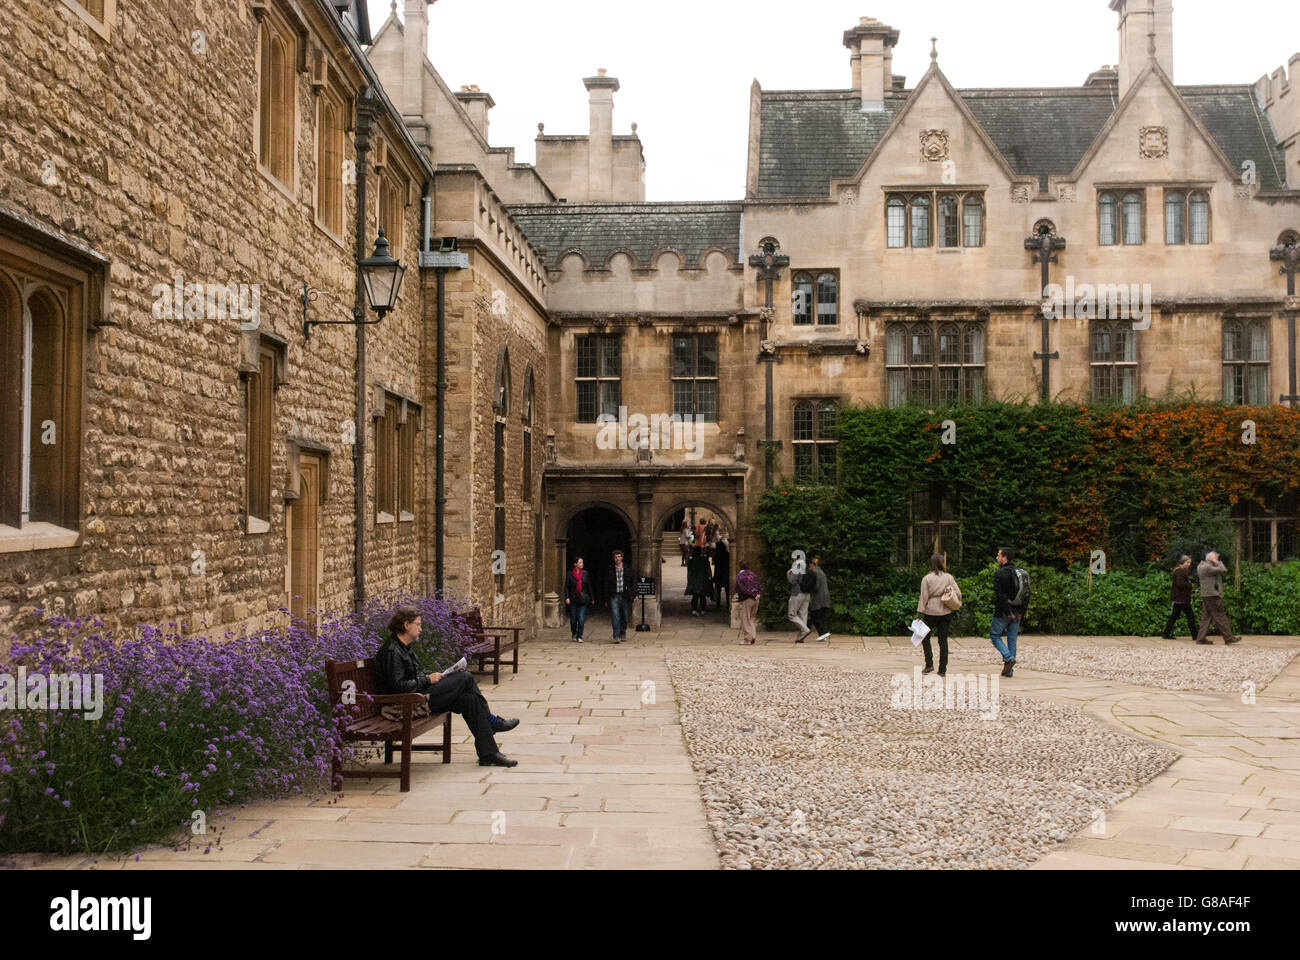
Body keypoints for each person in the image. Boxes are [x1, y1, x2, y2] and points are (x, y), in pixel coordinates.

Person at [376, 605, 520, 768]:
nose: (421, 629)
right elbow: (398, 687)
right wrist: (428, 680)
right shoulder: (392, 651)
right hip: (407, 704)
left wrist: (432, 676)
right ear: (406, 625)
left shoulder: (404, 648)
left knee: (469, 700)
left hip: (419, 696)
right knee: (465, 677)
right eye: (418, 624)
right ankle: (492, 722)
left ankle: (489, 754)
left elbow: (412, 677)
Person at [917, 555, 959, 676]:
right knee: (943, 640)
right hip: (945, 611)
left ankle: (929, 664)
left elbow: (923, 597)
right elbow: (957, 592)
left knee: (925, 637)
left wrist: (920, 612)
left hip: (930, 611)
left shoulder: (927, 579)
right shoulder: (949, 577)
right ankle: (942, 670)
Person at [1194, 550, 1241, 645]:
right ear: (1211, 558)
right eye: (1216, 557)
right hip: (1212, 595)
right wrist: (1217, 562)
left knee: (1206, 617)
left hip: (1206, 595)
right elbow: (1223, 570)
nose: (1218, 559)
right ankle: (1229, 638)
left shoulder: (1201, 565)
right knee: (1220, 616)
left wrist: (1214, 561)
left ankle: (1200, 638)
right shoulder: (1208, 567)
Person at [991, 547, 1024, 677]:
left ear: (1005, 558)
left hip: (1004, 611)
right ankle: (1009, 670)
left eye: (999, 555)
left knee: (994, 635)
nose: (997, 557)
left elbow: (999, 595)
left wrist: (1003, 610)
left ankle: (1008, 658)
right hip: (1018, 610)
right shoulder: (1017, 572)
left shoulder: (1001, 573)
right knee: (1012, 639)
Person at [1163, 554, 1198, 640]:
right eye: (1188, 562)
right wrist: (1190, 585)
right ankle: (1195, 635)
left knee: (1174, 616)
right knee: (1190, 616)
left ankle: (1166, 633)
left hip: (1179, 598)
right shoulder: (1180, 571)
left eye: (1190, 562)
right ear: (1183, 562)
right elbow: (1180, 584)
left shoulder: (1178, 570)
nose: (1189, 564)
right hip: (1181, 598)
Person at [604, 549, 635, 644]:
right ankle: (616, 635)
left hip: (625, 595)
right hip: (614, 595)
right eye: (615, 557)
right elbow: (606, 584)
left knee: (625, 616)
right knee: (615, 616)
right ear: (613, 559)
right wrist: (606, 598)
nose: (617, 558)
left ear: (622, 557)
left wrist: (635, 594)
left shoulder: (628, 568)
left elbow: (633, 582)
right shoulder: (610, 569)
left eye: (619, 557)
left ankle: (623, 632)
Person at [565, 557, 593, 642]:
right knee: (573, 619)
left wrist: (592, 598)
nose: (582, 564)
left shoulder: (585, 573)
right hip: (573, 599)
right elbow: (566, 587)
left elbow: (589, 586)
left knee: (581, 619)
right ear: (575, 564)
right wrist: (567, 597)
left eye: (582, 562)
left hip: (582, 599)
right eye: (580, 562)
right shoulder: (569, 574)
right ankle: (574, 633)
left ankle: (580, 636)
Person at [735, 562, 762, 645]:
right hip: (756, 598)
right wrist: (758, 594)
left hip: (747, 599)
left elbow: (741, 589)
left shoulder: (740, 576)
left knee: (745, 618)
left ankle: (747, 639)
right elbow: (759, 585)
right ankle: (753, 636)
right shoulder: (753, 575)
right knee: (752, 618)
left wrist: (751, 595)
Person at [786, 559, 812, 642]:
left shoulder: (796, 567)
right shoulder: (807, 568)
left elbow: (792, 580)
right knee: (803, 615)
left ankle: (805, 629)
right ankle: (801, 637)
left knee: (792, 615)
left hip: (797, 593)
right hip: (807, 594)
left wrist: (788, 573)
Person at [808, 555, 831, 643]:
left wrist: (808, 590)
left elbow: (816, 586)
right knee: (820, 616)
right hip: (825, 597)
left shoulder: (814, 572)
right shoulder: (821, 571)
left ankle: (824, 632)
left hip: (818, 598)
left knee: (814, 616)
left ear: (812, 564)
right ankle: (822, 634)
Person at [686, 546, 712, 616]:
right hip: (703, 579)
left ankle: (694, 609)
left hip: (694, 579)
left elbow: (689, 572)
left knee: (695, 595)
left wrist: (689, 580)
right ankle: (703, 610)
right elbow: (708, 570)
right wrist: (710, 578)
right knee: (702, 595)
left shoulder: (691, 561)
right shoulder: (704, 560)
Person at [712, 537, 732, 608]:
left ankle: (718, 604)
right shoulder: (727, 554)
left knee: (718, 590)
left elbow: (715, 564)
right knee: (727, 590)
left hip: (719, 574)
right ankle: (728, 603)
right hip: (726, 573)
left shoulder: (716, 556)